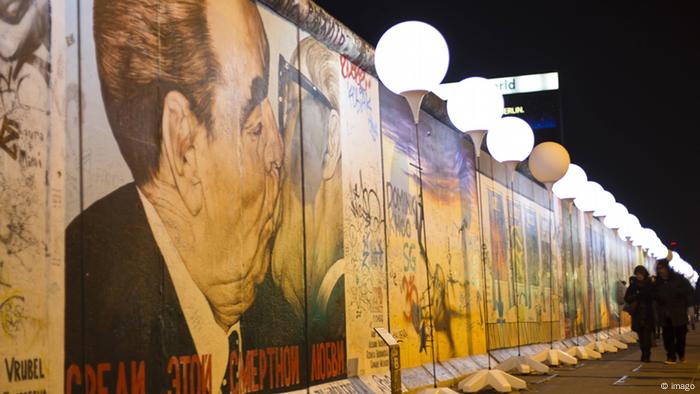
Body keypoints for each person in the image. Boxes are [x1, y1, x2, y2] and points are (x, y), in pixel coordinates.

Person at [65, 0, 287, 392]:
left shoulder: (275, 315)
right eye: (254, 127)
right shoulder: (85, 315)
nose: (278, 153)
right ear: (183, 146)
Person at [654, 259, 695, 364]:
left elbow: (689, 292)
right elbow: (653, 296)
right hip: (665, 314)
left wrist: (690, 307)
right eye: (659, 269)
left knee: (680, 336)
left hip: (679, 313)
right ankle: (670, 356)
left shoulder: (679, 279)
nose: (661, 271)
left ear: (667, 268)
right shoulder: (657, 282)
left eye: (662, 268)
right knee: (667, 337)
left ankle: (681, 354)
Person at [624, 266, 655, 362]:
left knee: (647, 335)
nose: (639, 276)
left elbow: (655, 297)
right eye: (637, 274)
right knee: (641, 336)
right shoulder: (633, 285)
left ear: (644, 274)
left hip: (648, 313)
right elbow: (627, 298)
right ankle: (644, 352)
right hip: (637, 313)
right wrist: (636, 296)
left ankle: (647, 354)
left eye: (641, 274)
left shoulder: (650, 284)